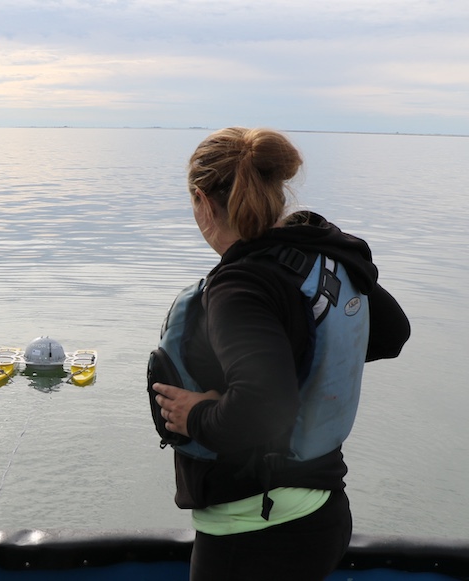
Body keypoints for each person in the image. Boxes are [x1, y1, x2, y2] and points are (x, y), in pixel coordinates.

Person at [151, 127, 410, 580]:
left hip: (256, 531)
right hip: (322, 510)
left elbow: (261, 412)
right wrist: (304, 354)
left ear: (201, 199)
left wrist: (194, 416)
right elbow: (391, 334)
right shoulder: (317, 257)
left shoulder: (239, 286)